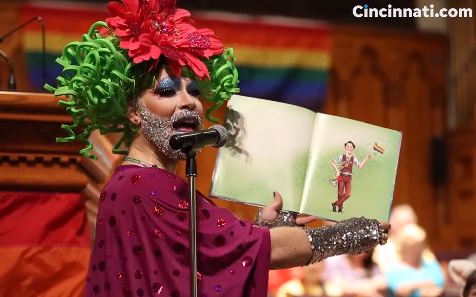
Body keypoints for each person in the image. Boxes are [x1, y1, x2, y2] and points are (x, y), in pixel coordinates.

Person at [46, 1, 390, 296]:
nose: (188, 103)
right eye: (167, 91)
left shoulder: (134, 181)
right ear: (134, 112)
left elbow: (213, 257)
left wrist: (269, 228)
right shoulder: (147, 186)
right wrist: (358, 232)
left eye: (193, 91)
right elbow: (259, 250)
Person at [384, 224, 444, 297]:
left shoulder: (431, 264)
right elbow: (400, 291)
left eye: (420, 246)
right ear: (403, 248)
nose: (417, 251)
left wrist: (412, 287)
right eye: (412, 247)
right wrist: (423, 287)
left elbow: (440, 283)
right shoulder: (394, 270)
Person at [323, 251, 387, 297]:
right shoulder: (336, 261)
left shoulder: (372, 265)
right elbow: (337, 287)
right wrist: (371, 285)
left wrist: (353, 287)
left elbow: (382, 283)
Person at [331, 141, 371, 213]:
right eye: (348, 146)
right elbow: (333, 162)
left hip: (348, 178)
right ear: (345, 147)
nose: (349, 148)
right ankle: (340, 208)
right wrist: (337, 171)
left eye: (351, 147)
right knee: (340, 194)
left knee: (348, 194)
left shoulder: (354, 158)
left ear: (353, 149)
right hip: (342, 176)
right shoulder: (341, 157)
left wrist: (366, 159)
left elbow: (359, 166)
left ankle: (335, 204)